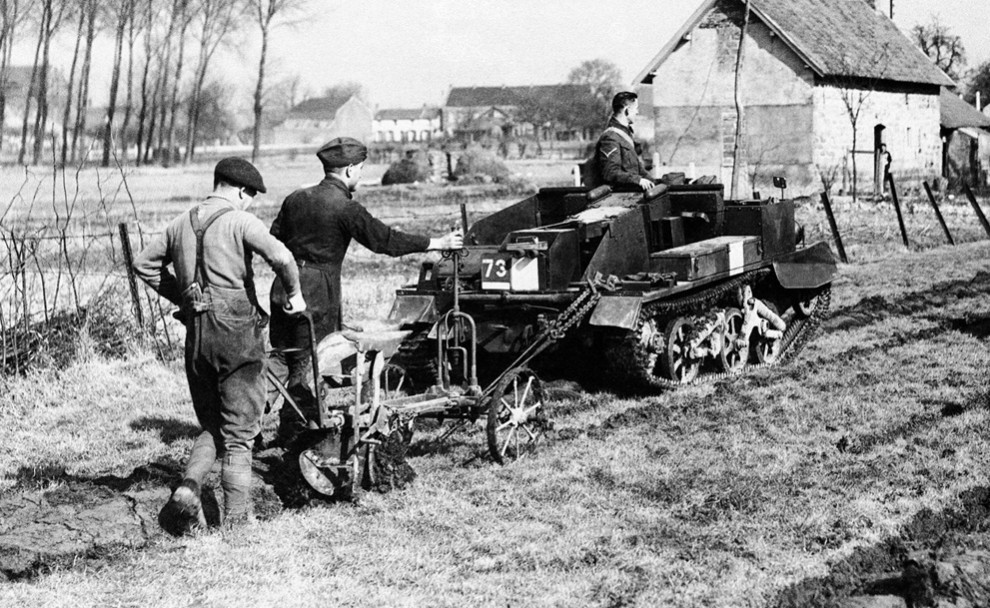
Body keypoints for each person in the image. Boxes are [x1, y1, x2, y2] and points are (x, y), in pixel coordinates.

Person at [133, 157, 305, 534]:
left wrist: (184, 297)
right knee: (241, 433)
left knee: (212, 422)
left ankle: (188, 488)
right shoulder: (240, 220)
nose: (250, 203)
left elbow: (143, 264)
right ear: (240, 190)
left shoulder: (181, 222)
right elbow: (282, 256)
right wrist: (294, 295)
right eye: (251, 196)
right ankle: (238, 525)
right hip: (236, 333)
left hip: (197, 333)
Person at [267, 137, 462, 444]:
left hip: (283, 285)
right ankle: (299, 435)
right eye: (359, 169)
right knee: (311, 362)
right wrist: (436, 243)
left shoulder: (295, 198)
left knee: (280, 357)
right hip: (317, 291)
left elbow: (273, 238)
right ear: (349, 170)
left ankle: (245, 425)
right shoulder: (346, 208)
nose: (359, 176)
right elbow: (386, 241)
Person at [587, 91, 654, 191]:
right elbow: (610, 173)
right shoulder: (611, 137)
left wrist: (655, 182)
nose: (637, 112)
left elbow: (639, 169)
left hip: (630, 192)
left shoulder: (626, 135)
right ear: (627, 111)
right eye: (636, 108)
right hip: (619, 195)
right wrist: (638, 180)